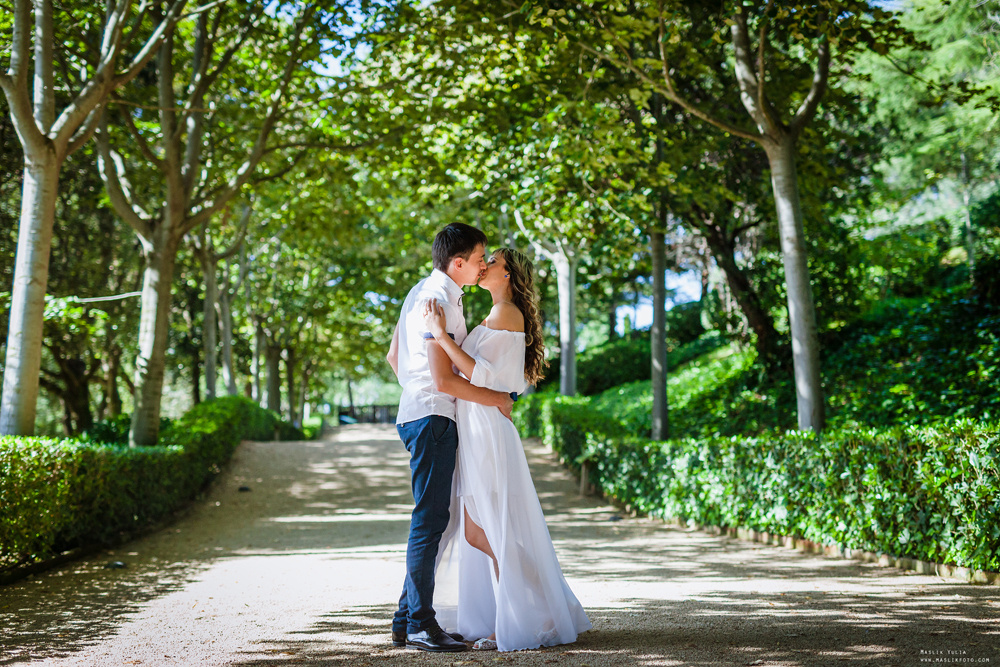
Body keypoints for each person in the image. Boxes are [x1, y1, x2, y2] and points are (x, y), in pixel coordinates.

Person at [422, 247, 592, 652]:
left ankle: (518, 619)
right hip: (477, 423)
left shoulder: (506, 313)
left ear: (508, 275)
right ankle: (550, 603)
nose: (484, 265)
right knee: (479, 531)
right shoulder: (497, 314)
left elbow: (481, 374)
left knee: (490, 529)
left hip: (486, 428)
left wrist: (440, 336)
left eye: (491, 261)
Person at [386, 223, 514, 653]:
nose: (483, 266)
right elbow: (443, 381)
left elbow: (393, 355)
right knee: (430, 521)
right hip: (434, 418)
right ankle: (422, 623)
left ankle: (406, 619)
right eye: (480, 259)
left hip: (421, 414)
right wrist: (495, 397)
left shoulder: (424, 292)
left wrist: (413, 388)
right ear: (457, 263)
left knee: (435, 521)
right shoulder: (438, 300)